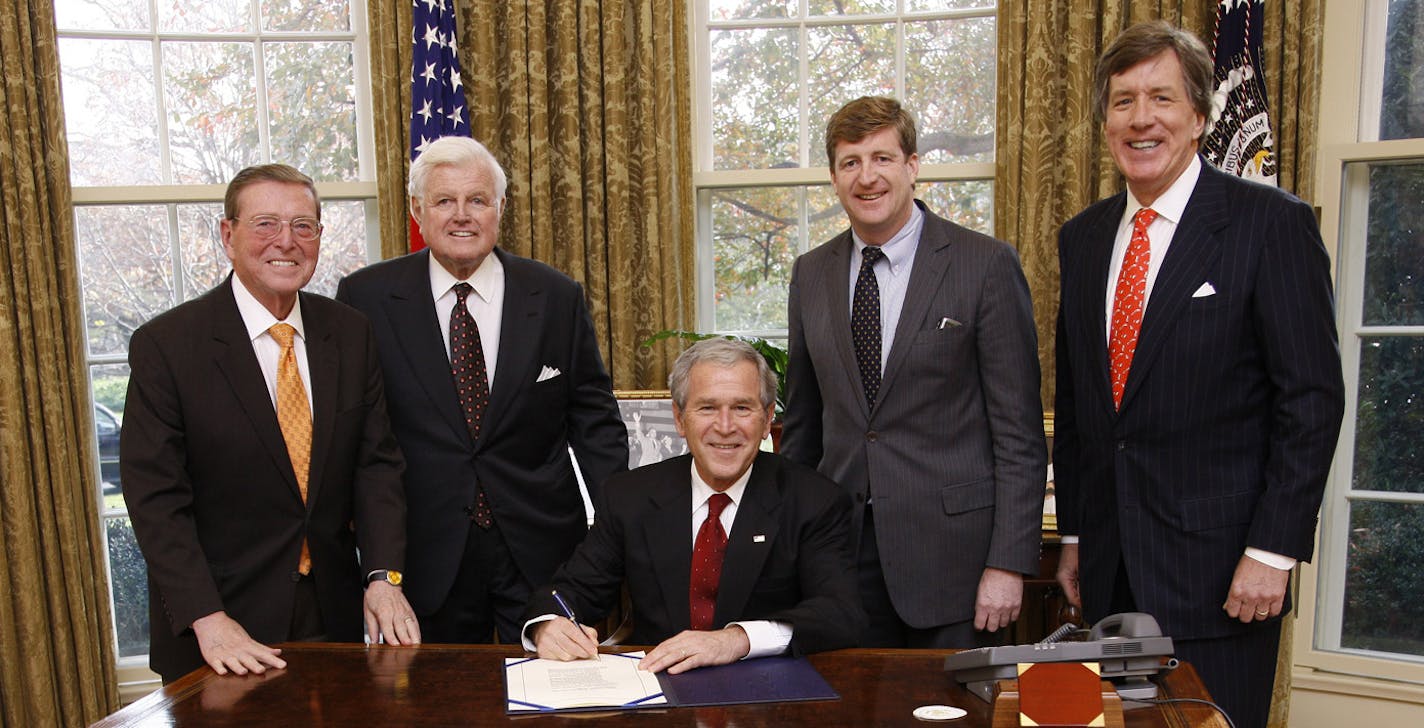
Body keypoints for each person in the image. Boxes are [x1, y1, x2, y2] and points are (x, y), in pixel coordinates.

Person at [1052, 21, 1345, 728]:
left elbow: (1310, 400)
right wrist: (1075, 537)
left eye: (1161, 98)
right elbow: (1080, 399)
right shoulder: (1084, 238)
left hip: (1223, 574)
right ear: (1105, 122)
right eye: (1123, 101)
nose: (1141, 118)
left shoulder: (1270, 224)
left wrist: (1273, 550)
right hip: (1112, 568)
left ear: (1201, 116)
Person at [121, 164, 418, 683]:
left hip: (334, 615)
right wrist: (207, 618)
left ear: (320, 238)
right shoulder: (168, 346)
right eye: (265, 224)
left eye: (303, 226)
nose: (287, 241)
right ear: (227, 235)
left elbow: (377, 466)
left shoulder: (349, 333)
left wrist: (382, 577)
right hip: (220, 629)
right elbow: (156, 500)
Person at [335, 136, 628, 644]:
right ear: (417, 210)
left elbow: (594, 420)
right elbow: (361, 434)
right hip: (425, 552)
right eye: (445, 201)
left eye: (477, 200)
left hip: (542, 548)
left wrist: (619, 527)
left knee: (558, 699)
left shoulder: (555, 294)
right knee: (440, 705)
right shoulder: (367, 298)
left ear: (500, 208)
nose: (461, 215)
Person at [780, 96, 1046, 649]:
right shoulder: (810, 274)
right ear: (833, 176)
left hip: (957, 565)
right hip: (842, 560)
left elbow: (1018, 434)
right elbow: (804, 428)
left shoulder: (984, 264)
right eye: (851, 162)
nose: (867, 176)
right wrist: (788, 548)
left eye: (882, 158)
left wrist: (1009, 563)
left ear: (912, 165)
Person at [524, 338, 863, 673]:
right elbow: (570, 590)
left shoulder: (815, 500)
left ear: (767, 418)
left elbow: (840, 613)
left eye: (742, 408)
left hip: (768, 692)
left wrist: (736, 639)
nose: (725, 427)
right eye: (707, 408)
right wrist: (548, 625)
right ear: (680, 419)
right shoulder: (630, 496)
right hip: (658, 688)